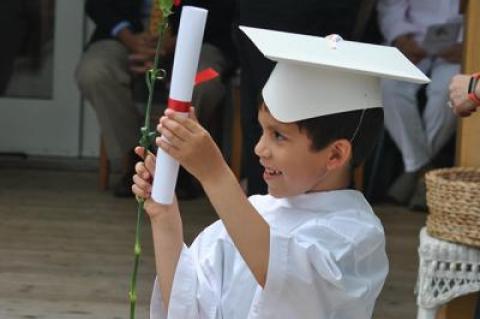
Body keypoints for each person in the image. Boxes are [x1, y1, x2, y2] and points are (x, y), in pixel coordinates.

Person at [131, 27, 429, 318]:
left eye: (279, 136)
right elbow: (187, 304)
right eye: (262, 131)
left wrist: (214, 173)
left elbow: (285, 281)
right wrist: (165, 216)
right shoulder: (251, 214)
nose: (260, 149)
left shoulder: (356, 235)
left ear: (335, 154)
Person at [75, 0, 235, 197]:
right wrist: (129, 38)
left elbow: (225, 9)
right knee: (95, 72)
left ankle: (180, 164)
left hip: (199, 38)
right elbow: (96, 4)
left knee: (204, 82)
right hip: (124, 34)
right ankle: (136, 160)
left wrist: (179, 40)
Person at [234, 1, 370, 196]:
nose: (260, 149)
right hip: (256, 20)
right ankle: (263, 200)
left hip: (312, 25)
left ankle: (327, 200)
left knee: (306, 126)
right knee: (259, 120)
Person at [377, 0, 463, 209]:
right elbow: (391, 7)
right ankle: (423, 170)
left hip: (459, 46)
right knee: (387, 85)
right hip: (412, 42)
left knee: (449, 91)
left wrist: (469, 43)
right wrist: (401, 38)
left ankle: (413, 171)